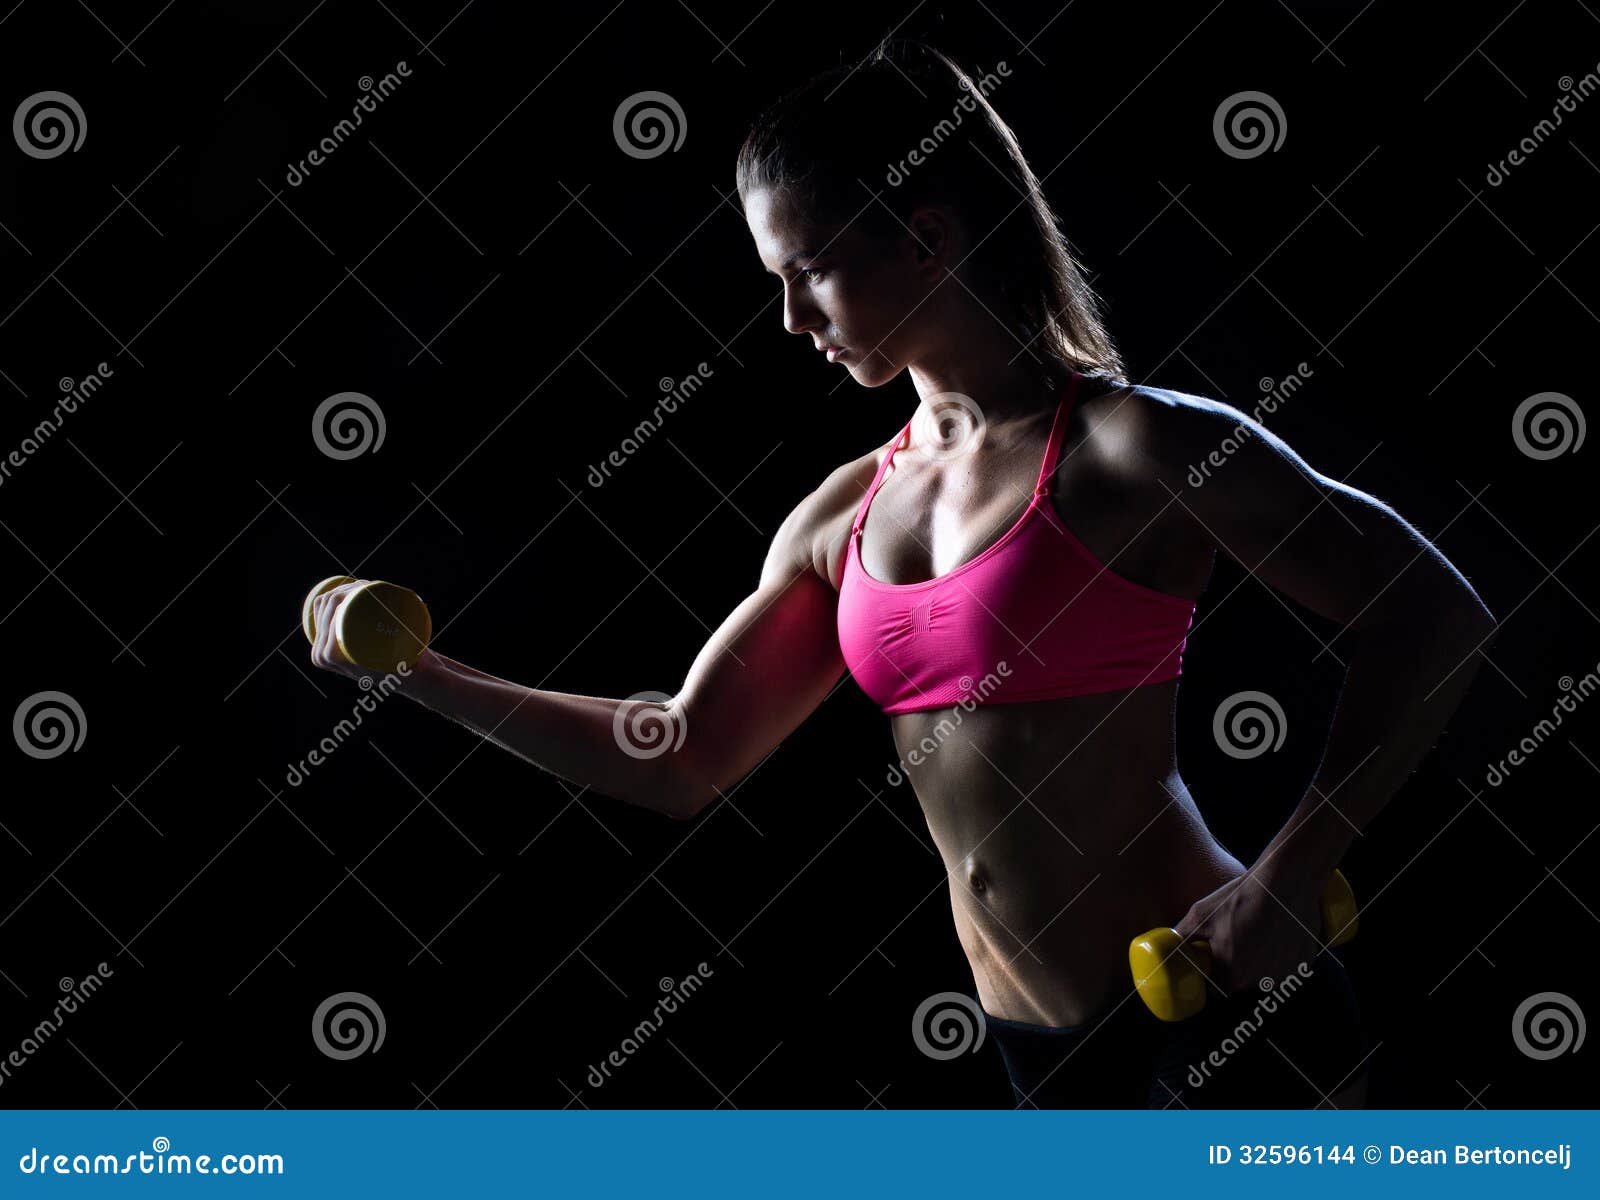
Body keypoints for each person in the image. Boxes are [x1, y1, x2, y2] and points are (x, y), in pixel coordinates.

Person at [310, 40, 1496, 1108]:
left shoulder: (1133, 448)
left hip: (1219, 1021)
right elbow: (681, 755)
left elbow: (1433, 608)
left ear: (923, 236)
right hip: (1035, 1051)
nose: (787, 319)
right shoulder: (842, 512)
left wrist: (1296, 867)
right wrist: (419, 673)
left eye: (808, 271)